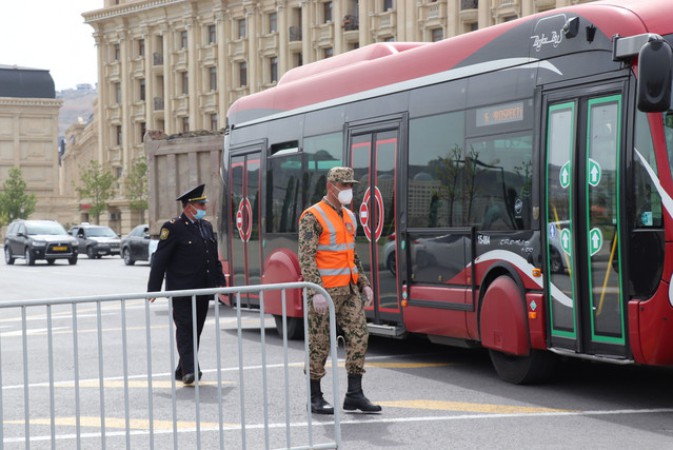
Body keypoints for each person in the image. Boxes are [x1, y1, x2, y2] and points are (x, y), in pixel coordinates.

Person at [298, 166, 382, 414]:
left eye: (350, 185)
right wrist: (315, 291)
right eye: (344, 185)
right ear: (330, 187)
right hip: (323, 293)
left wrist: (364, 282)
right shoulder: (312, 216)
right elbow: (306, 257)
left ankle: (354, 395)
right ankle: (315, 397)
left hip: (348, 290)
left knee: (359, 337)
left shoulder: (348, 216)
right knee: (319, 344)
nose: (348, 190)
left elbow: (351, 254)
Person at [147, 184, 225, 385]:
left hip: (202, 288)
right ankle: (191, 370)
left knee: (195, 329)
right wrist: (153, 288)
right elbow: (160, 259)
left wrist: (220, 282)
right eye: (201, 204)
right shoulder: (172, 227)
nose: (205, 208)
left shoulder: (205, 226)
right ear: (189, 206)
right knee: (185, 328)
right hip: (181, 290)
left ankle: (182, 368)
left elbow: (212, 257)